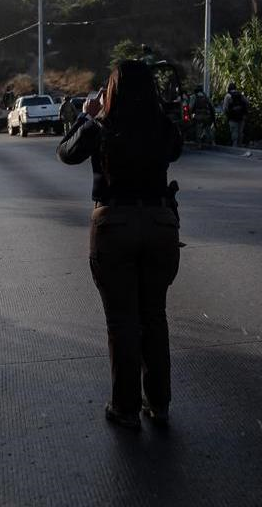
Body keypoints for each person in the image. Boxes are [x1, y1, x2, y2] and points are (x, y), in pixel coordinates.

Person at [57, 61, 183, 430]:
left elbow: (67, 153)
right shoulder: (160, 125)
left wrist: (86, 118)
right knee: (154, 316)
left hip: (114, 225)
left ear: (109, 90)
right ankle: (159, 403)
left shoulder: (102, 125)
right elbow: (175, 149)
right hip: (160, 224)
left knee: (122, 320)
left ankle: (125, 408)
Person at [220, 82, 249, 147]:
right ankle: (240, 146)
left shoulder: (228, 96)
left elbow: (225, 107)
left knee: (234, 132)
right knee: (240, 132)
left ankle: (235, 146)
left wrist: (227, 114)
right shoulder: (240, 94)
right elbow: (247, 102)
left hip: (232, 117)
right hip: (241, 117)